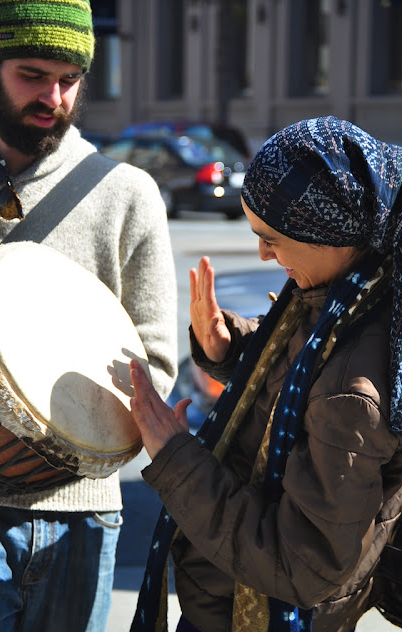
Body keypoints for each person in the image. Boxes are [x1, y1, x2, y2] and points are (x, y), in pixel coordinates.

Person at [128, 115, 402, 632]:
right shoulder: (351, 295)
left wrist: (174, 457)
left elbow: (302, 561)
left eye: (271, 238)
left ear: (331, 232)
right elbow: (304, 373)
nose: (262, 253)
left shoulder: (353, 390)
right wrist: (232, 346)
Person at [0, 0, 177, 631]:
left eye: (69, 80)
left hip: (85, 519)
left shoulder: (128, 195)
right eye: (32, 75)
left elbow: (159, 363)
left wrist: (54, 439)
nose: (54, 98)